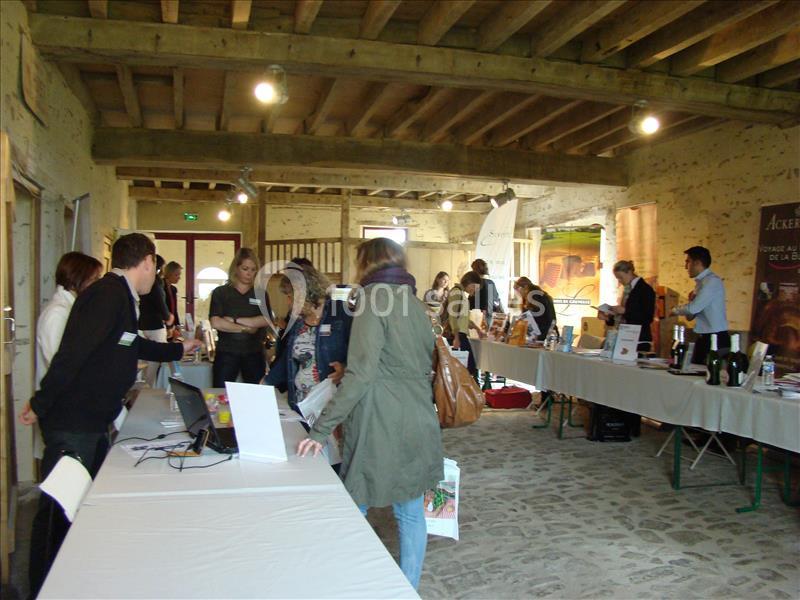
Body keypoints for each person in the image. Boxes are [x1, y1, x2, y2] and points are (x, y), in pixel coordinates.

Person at [20, 233, 201, 596]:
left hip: (91, 420)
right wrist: (40, 403)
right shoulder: (107, 295)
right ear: (147, 261)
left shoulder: (119, 297)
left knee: (85, 507)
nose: (155, 275)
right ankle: (41, 587)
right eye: (156, 267)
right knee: (57, 511)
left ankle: (72, 580)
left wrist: (176, 350)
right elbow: (70, 355)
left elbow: (128, 343)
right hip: (74, 423)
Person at [296, 238, 443, 591]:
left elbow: (361, 375)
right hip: (418, 416)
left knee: (354, 506)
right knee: (409, 511)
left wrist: (320, 429)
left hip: (381, 419)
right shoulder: (415, 303)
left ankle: (347, 584)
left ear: (367, 264)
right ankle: (407, 588)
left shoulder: (373, 299)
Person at [264, 263, 352, 410]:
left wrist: (345, 368)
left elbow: (362, 353)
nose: (288, 302)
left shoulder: (341, 312)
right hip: (300, 402)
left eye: (291, 296)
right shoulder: (298, 321)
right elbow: (287, 360)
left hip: (331, 404)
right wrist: (266, 382)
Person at [209, 248, 272, 387]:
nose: (249, 273)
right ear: (236, 268)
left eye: (253, 269)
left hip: (254, 352)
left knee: (256, 395)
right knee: (221, 393)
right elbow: (216, 322)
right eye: (245, 268)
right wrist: (246, 328)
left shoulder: (260, 293)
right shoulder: (221, 293)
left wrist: (235, 320)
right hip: (227, 352)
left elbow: (266, 319)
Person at [671, 246, 729, 364]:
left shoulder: (712, 281)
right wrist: (690, 304)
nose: (685, 266)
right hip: (703, 336)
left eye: (688, 262)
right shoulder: (700, 283)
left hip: (716, 338)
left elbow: (693, 308)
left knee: (708, 376)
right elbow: (691, 315)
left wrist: (675, 310)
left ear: (697, 263)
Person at [598, 260, 656, 350]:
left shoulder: (645, 289)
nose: (620, 281)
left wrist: (624, 311)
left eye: (621, 277)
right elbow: (623, 317)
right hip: (624, 336)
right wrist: (608, 317)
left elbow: (647, 317)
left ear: (629, 272)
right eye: (617, 278)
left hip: (638, 340)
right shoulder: (627, 289)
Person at [139, 254, 172, 386]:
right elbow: (160, 302)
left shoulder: (141, 281)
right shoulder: (156, 282)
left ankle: (141, 391)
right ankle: (149, 391)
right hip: (155, 325)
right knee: (154, 365)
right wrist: (168, 317)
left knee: (142, 364)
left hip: (141, 324)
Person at [448, 271, 486, 375]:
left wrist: (477, 329)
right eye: (474, 287)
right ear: (469, 282)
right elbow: (453, 316)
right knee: (467, 368)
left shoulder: (462, 294)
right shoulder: (457, 292)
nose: (474, 291)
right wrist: (456, 337)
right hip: (457, 335)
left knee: (466, 368)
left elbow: (463, 319)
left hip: (460, 334)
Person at [514, 277, 556, 341]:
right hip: (548, 333)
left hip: (541, 336)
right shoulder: (542, 295)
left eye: (518, 290)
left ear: (525, 287)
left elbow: (535, 320)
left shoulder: (532, 298)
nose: (518, 293)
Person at [163, 260, 182, 340]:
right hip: (164, 323)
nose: (179, 277)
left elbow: (174, 309)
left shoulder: (173, 289)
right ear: (169, 274)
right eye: (176, 275)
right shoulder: (161, 287)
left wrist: (177, 325)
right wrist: (169, 326)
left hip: (172, 322)